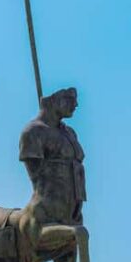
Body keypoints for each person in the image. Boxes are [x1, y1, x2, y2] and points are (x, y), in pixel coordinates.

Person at [19, 87, 86, 226]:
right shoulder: (34, 131)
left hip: (74, 212)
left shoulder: (70, 133)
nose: (76, 104)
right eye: (69, 99)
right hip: (49, 210)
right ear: (53, 100)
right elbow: (36, 176)